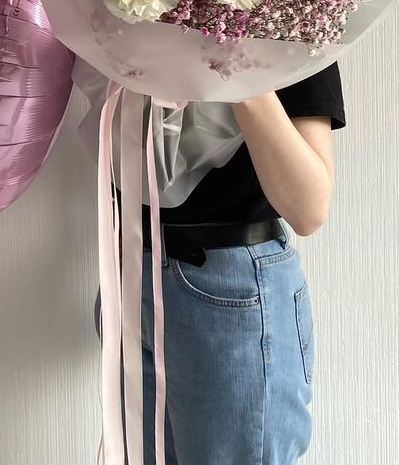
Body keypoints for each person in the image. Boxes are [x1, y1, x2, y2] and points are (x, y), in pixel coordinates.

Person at [77, 60, 345, 465]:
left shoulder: (291, 30)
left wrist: (236, 62)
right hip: (130, 271)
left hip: (226, 286)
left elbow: (308, 209)